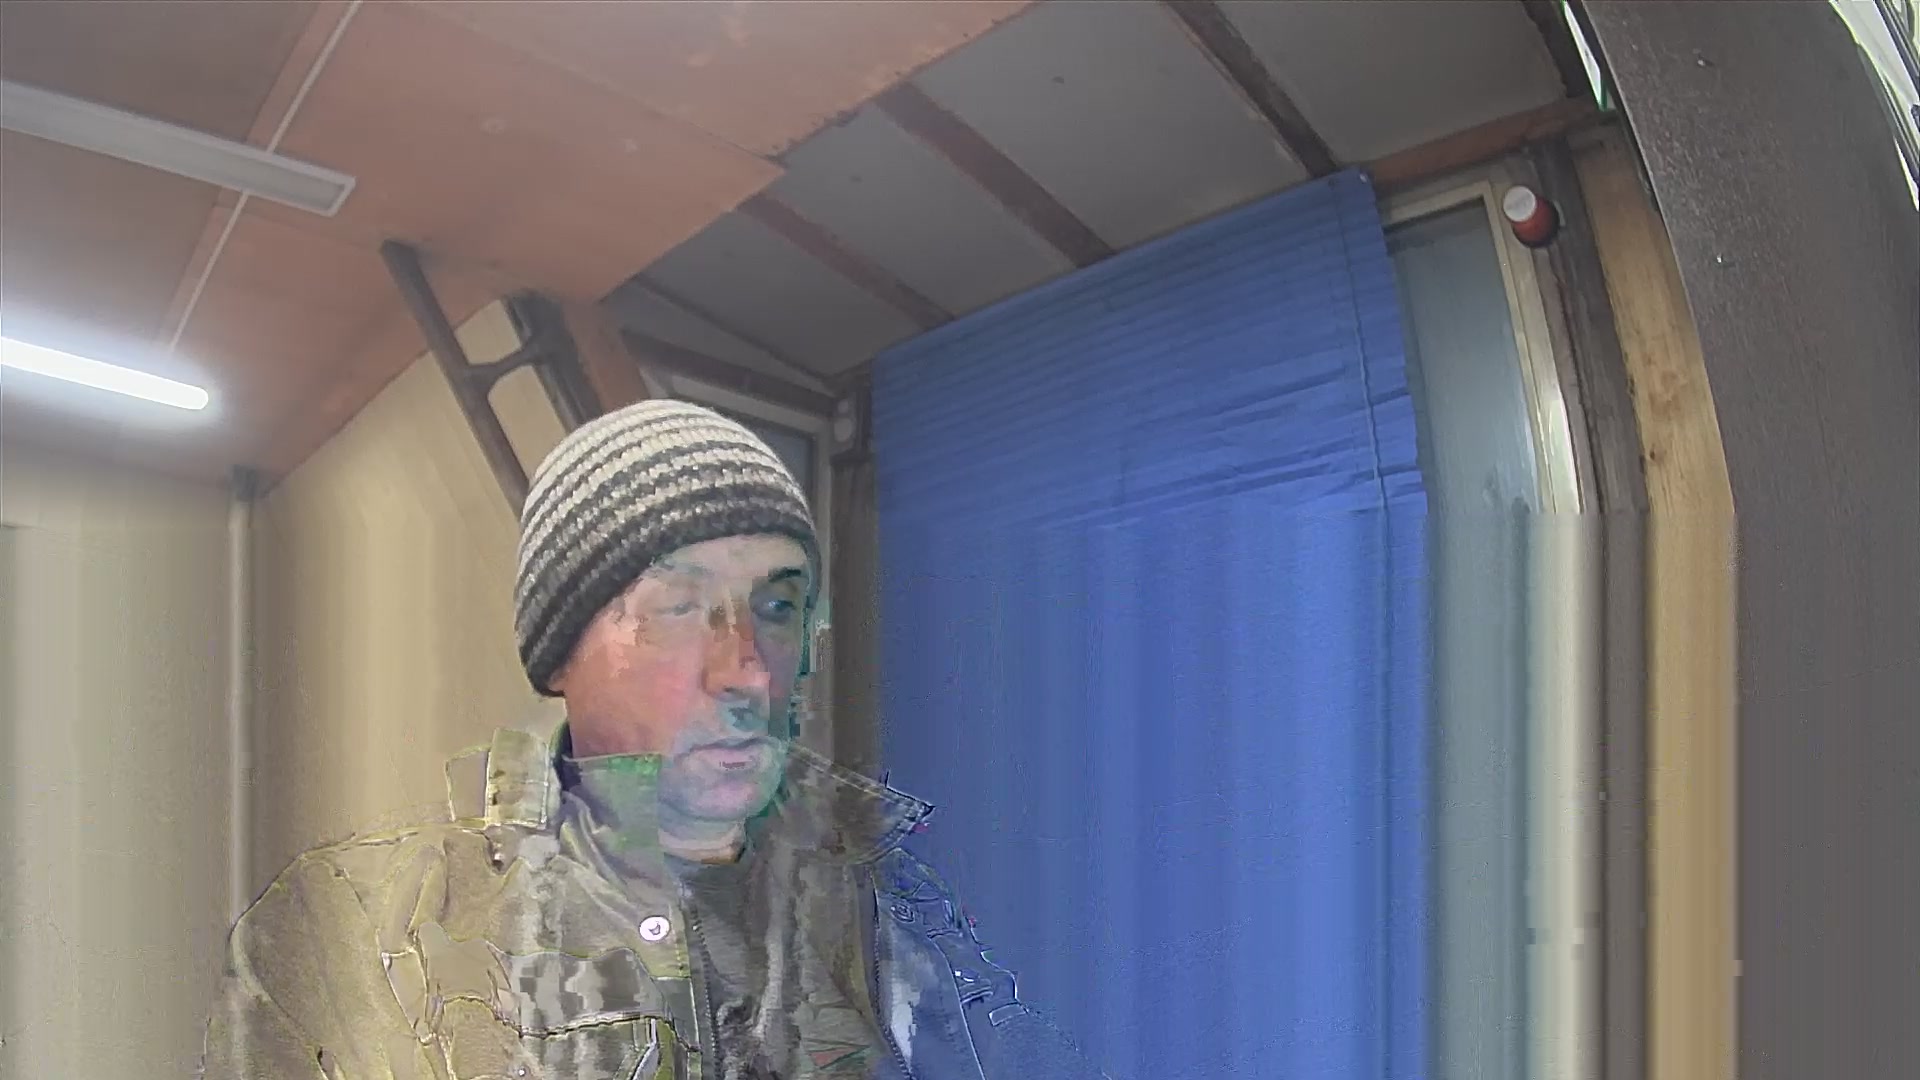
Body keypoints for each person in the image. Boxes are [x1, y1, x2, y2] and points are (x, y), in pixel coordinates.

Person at [200, 400, 1105, 1079]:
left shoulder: (893, 902)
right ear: (560, 654)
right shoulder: (359, 934)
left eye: (778, 606)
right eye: (677, 608)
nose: (748, 672)